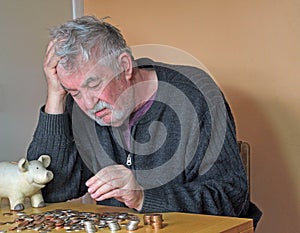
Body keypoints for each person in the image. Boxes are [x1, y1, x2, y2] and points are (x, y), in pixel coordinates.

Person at [27, 16, 261, 227]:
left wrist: (143, 197)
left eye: (94, 84)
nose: (88, 104)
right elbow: (50, 189)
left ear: (125, 66)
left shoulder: (197, 95)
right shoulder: (79, 107)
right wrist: (56, 97)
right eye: (74, 91)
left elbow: (231, 198)